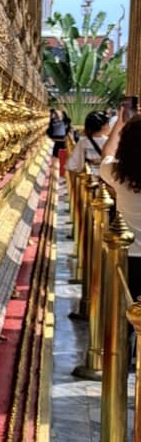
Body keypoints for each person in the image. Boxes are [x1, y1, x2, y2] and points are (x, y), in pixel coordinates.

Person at [100, 104, 141, 297]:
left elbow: (107, 154)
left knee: (124, 312)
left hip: (127, 254)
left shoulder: (117, 173)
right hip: (127, 251)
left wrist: (120, 123)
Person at [67, 110, 109, 175]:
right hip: (106, 178)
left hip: (89, 179)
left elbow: (72, 164)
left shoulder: (83, 142)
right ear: (103, 126)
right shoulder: (109, 142)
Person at [48, 107, 69, 176]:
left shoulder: (64, 122)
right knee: (54, 157)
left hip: (62, 142)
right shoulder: (52, 121)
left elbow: (67, 119)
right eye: (56, 113)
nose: (57, 115)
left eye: (59, 113)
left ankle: (61, 172)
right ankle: (54, 172)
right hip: (55, 142)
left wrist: (63, 112)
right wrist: (53, 111)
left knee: (62, 158)